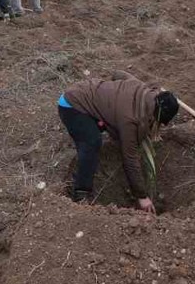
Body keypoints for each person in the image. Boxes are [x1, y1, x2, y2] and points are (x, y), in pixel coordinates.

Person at [57, 72, 180, 211]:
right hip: (71, 105)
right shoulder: (130, 121)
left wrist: (111, 96)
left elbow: (118, 74)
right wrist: (142, 196)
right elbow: (130, 159)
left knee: (102, 125)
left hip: (84, 90)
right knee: (92, 142)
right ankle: (81, 193)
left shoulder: (141, 88)